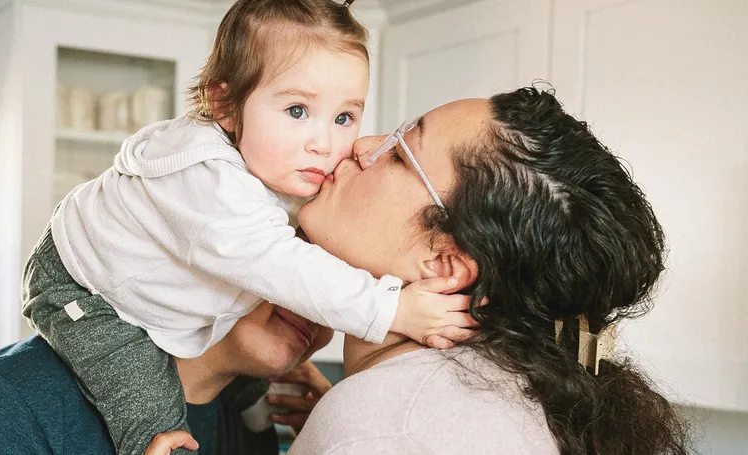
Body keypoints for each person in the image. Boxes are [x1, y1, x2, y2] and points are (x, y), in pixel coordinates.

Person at [21, 0, 474, 454]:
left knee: (245, 372)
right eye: (298, 110)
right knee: (141, 388)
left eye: (344, 118)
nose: (326, 143)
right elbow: (287, 267)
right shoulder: (210, 183)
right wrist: (391, 310)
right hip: (79, 285)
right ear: (225, 104)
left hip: (170, 305)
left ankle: (253, 411)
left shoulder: (274, 164)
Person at [287, 87, 691, 454]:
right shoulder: (444, 411)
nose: (362, 146)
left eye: (398, 154)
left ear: (447, 262)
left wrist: (363, 431)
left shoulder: (386, 431)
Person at [0, 301, 334, 455]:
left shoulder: (253, 422)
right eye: (301, 265)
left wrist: (331, 444)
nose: (321, 305)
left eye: (349, 291)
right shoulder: (1, 405)